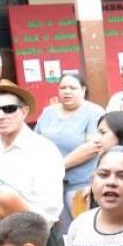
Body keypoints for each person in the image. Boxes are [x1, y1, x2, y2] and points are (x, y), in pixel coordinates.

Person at [0, 80, 67, 246]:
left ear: (24, 111)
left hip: (40, 244)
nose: (1, 115)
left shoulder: (43, 150)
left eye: (9, 109)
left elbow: (49, 212)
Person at [34, 73, 102, 232]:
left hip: (80, 185)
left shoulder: (93, 112)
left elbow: (93, 146)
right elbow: (35, 142)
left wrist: (58, 167)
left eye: (73, 88)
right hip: (52, 185)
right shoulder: (48, 112)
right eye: (63, 87)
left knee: (84, 230)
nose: (67, 91)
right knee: (62, 234)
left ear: (83, 90)